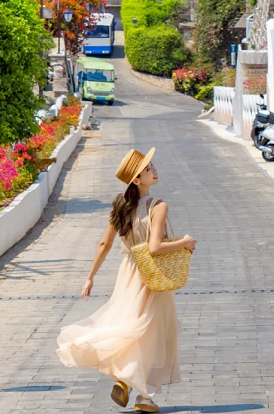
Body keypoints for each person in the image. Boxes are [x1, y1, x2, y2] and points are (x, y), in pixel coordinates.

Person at [57, 147, 197, 413]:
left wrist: (90, 277)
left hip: (128, 273)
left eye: (152, 165)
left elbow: (104, 243)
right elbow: (154, 248)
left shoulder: (119, 205)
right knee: (152, 333)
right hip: (152, 275)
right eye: (148, 169)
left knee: (130, 326)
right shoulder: (158, 206)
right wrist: (184, 242)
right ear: (137, 180)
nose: (154, 170)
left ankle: (129, 381)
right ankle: (141, 393)